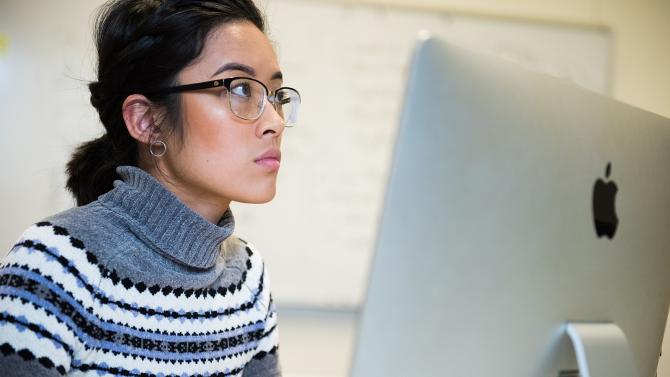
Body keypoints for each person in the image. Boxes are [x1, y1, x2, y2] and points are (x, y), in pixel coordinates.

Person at [0, 0, 300, 375]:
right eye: (240, 88)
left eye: (277, 95)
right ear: (146, 121)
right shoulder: (55, 266)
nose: (274, 120)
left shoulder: (247, 277)